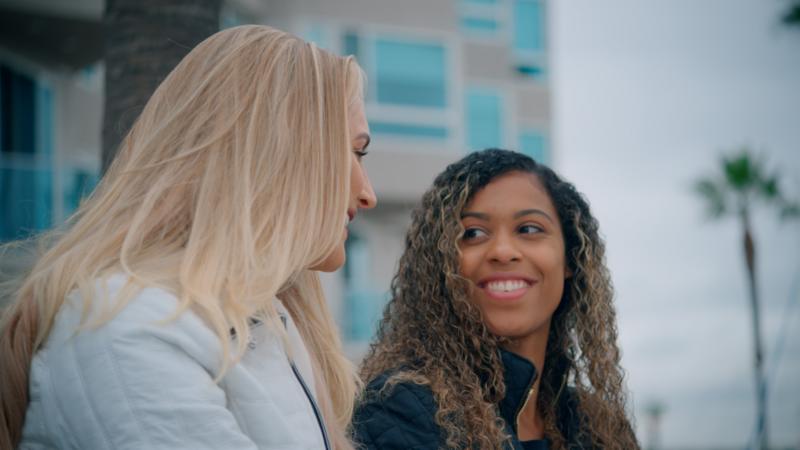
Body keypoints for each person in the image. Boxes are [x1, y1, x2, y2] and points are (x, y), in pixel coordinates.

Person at [0, 25, 376, 450]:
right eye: (354, 151)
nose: (368, 193)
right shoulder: (131, 327)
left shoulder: (266, 317)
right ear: (276, 153)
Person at [352, 149, 638, 449]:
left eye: (529, 229)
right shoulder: (401, 410)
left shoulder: (598, 428)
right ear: (441, 264)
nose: (502, 251)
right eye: (473, 233)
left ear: (570, 258)